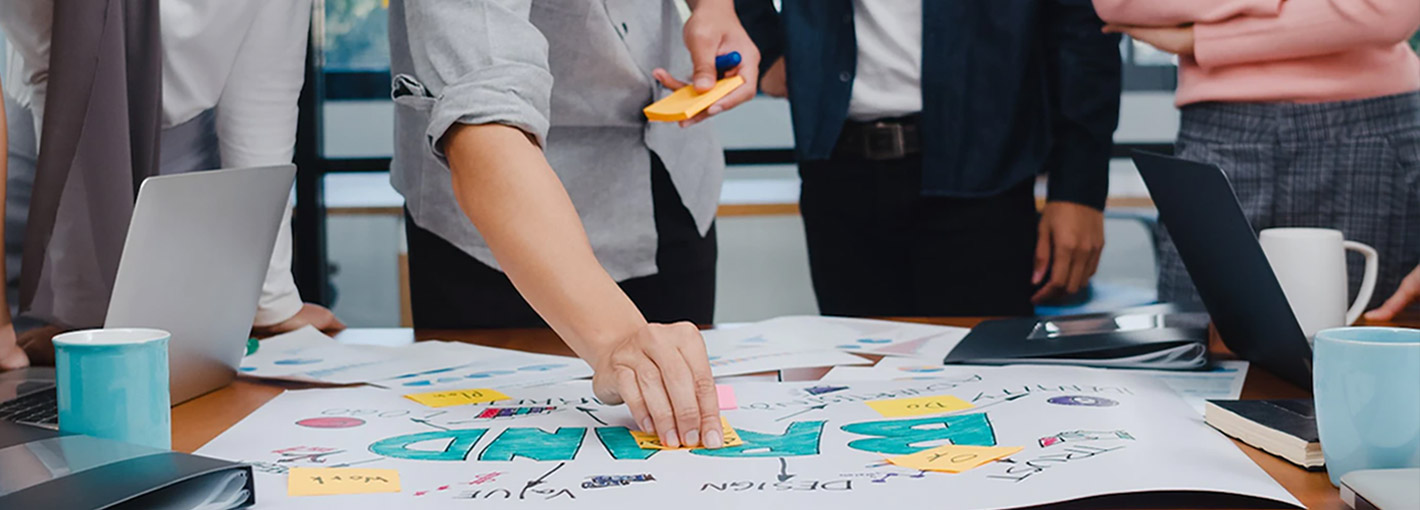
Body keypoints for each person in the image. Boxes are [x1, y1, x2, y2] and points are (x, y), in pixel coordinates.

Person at [389, 0, 759, 448]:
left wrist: (715, 8)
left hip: (670, 169)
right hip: (499, 227)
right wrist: (619, 339)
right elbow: (481, 119)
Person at [0, 0, 345, 367]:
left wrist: (270, 299)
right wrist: (76, 318)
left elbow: (264, 88)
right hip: (44, 152)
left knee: (179, 363)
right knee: (51, 364)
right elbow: (63, 79)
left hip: (187, 146)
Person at [735, 1, 1122, 317]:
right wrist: (766, 43)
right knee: (858, 374)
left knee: (985, 372)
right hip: (839, 163)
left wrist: (1079, 187)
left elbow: (1081, 24)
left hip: (985, 166)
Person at [1093, 0, 1420, 310]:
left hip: (1372, 133)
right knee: (1201, 342)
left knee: (1373, 343)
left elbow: (1389, 11)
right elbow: (1118, 4)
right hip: (1222, 133)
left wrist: (1205, 40)